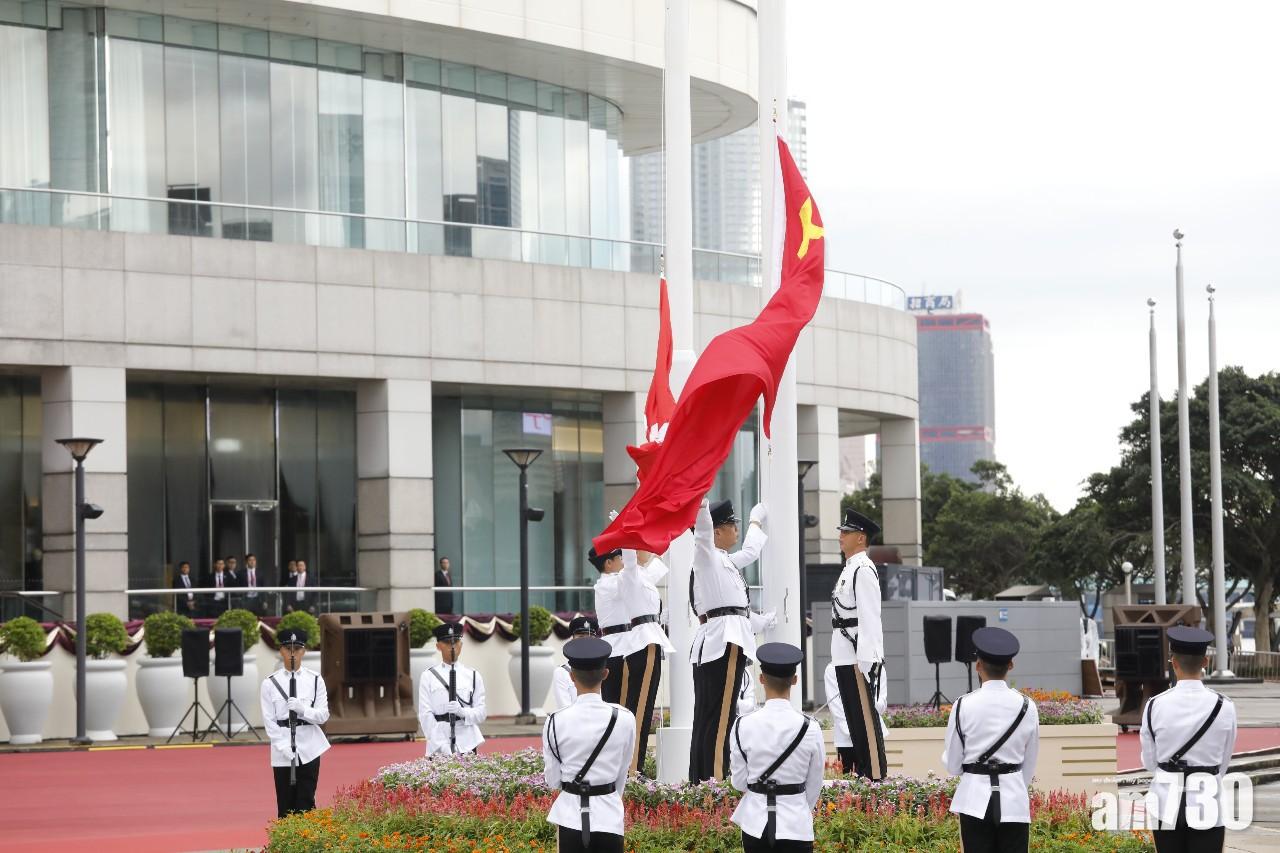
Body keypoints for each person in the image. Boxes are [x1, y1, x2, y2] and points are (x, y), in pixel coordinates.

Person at [689, 497, 768, 782]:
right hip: (724, 642)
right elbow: (700, 536)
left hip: (722, 639)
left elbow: (736, 606)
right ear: (716, 531)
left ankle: (701, 781)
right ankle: (714, 783)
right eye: (731, 524)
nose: (736, 529)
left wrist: (756, 522)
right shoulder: (707, 555)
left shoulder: (724, 561)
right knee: (718, 718)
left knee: (711, 717)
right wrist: (700, 507)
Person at [942, 627, 1040, 853]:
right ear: (1011, 665)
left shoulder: (962, 705)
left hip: (974, 800)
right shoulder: (1028, 706)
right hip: (1013, 799)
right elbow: (1030, 762)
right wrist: (1013, 784)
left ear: (978, 665)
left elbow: (954, 766)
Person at [1141, 625, 1237, 852]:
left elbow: (1149, 762)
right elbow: (1224, 761)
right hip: (1207, 800)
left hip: (1166, 800)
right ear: (1205, 662)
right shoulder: (1225, 706)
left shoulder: (1154, 705)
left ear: (1173, 663)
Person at [543, 636, 637, 853]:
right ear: (606, 674)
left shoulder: (555, 720)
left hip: (569, 817)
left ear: (571, 676)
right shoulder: (624, 718)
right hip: (609, 816)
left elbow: (553, 780)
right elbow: (623, 771)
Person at [729, 643, 825, 852]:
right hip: (796, 826)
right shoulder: (811, 728)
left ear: (761, 679)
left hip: (755, 824)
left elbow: (738, 782)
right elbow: (815, 784)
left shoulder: (741, 724)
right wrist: (796, 807)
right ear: (795, 680)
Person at [828, 507, 887, 780]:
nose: (841, 536)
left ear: (861, 538)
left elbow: (870, 617)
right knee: (854, 721)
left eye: (847, 532)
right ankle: (864, 775)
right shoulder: (849, 568)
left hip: (857, 657)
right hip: (843, 655)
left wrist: (869, 662)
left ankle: (874, 776)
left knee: (864, 721)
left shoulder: (863, 569)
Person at [260, 627, 330, 819]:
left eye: (297, 649)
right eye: (288, 648)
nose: (293, 653)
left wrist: (302, 709)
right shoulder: (269, 683)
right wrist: (283, 747)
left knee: (306, 801)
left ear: (303, 651)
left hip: (309, 746)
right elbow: (269, 721)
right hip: (282, 747)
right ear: (281, 651)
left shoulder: (315, 680)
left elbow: (323, 715)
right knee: (285, 803)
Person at [418, 621, 487, 755]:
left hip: (468, 742)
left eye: (455, 642)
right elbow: (425, 715)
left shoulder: (473, 675)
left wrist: (462, 712)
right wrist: (442, 746)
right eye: (447, 643)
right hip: (438, 744)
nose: (452, 646)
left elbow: (481, 712)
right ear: (438, 646)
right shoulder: (428, 676)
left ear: (461, 645)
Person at [589, 545, 628, 704]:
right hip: (617, 649)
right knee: (616, 701)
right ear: (608, 563)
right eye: (619, 558)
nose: (623, 561)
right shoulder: (610, 584)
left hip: (619, 645)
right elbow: (636, 581)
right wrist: (656, 561)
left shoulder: (610, 583)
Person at [555, 616, 601, 710]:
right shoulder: (562, 672)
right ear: (572, 640)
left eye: (590, 637)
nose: (585, 642)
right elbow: (564, 709)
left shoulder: (603, 670)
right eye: (580, 637)